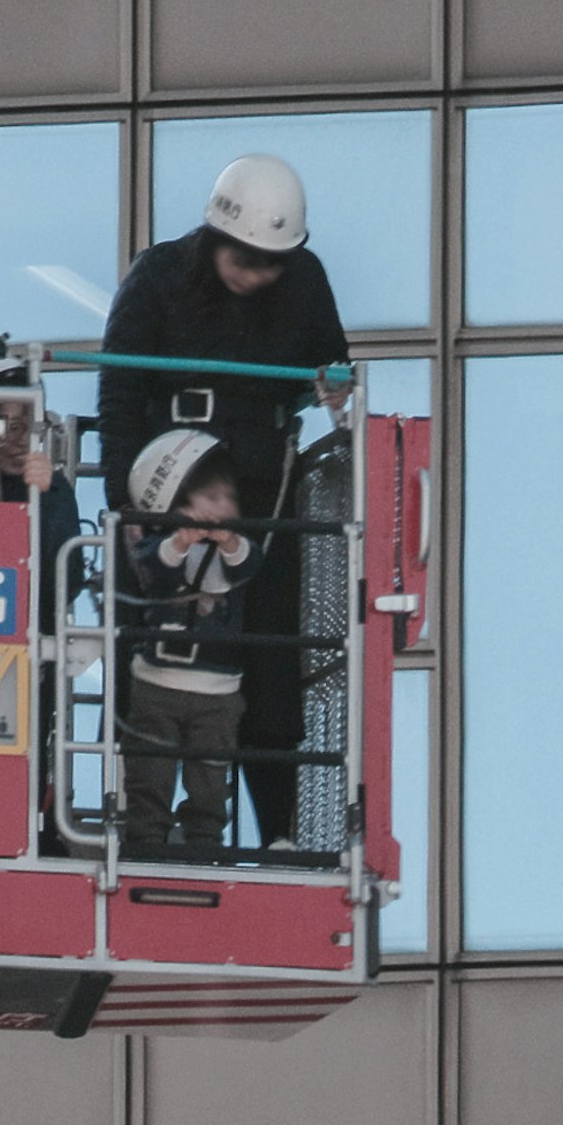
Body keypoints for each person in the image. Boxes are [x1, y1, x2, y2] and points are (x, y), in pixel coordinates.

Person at [93, 156, 351, 848]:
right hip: (171, 489)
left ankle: (278, 833)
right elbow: (118, 397)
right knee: (149, 652)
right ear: (217, 238)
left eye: (272, 262)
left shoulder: (305, 281)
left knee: (268, 657)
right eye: (246, 259)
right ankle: (140, 825)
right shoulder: (159, 276)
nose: (258, 275)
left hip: (261, 497)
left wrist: (337, 393)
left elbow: (331, 366)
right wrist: (128, 510)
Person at [113, 429, 252, 859]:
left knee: (211, 781)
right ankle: (145, 846)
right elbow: (154, 569)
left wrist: (226, 539)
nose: (219, 509)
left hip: (219, 691)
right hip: (156, 683)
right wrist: (180, 539)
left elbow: (247, 563)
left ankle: (205, 847)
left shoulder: (238, 545)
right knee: (148, 777)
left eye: (226, 499)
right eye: (208, 499)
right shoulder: (155, 545)